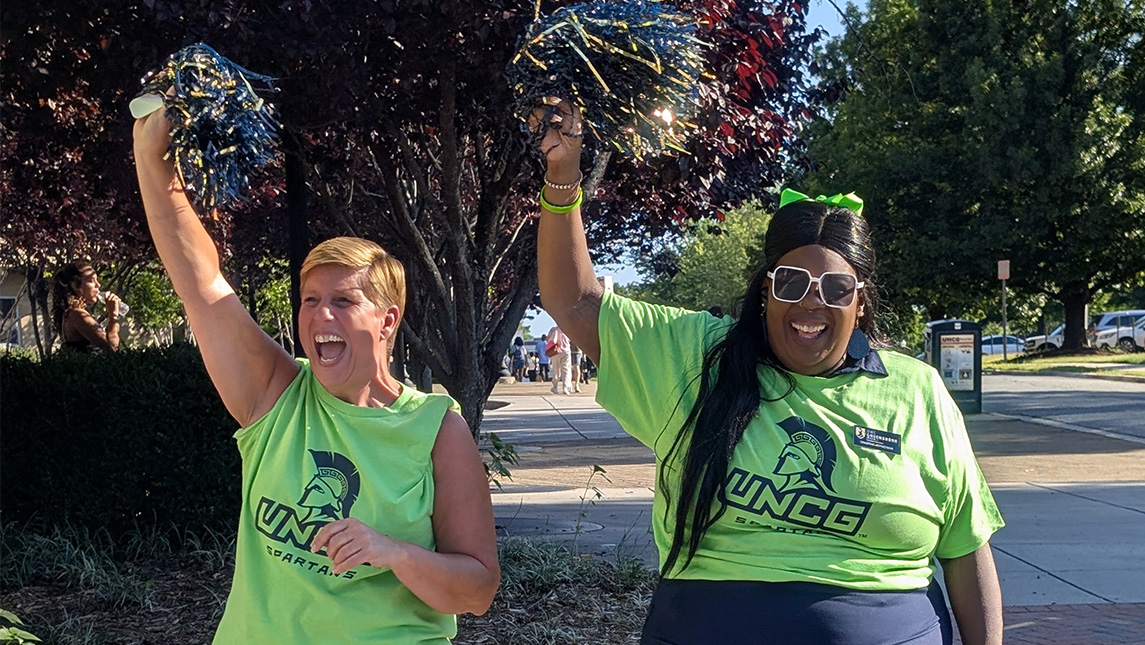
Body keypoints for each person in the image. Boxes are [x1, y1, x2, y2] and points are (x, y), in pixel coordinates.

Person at [534, 101, 1003, 645]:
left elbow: (967, 552)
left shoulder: (917, 390)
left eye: (836, 289)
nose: (811, 303)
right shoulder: (698, 358)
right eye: (791, 283)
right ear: (765, 291)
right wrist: (563, 177)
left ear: (860, 304)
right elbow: (575, 302)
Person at [134, 102, 498, 643]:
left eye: (343, 301)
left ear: (387, 320)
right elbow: (202, 285)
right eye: (310, 300)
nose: (320, 315)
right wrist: (151, 160)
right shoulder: (276, 394)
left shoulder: (437, 429)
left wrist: (395, 553)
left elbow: (477, 590)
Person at [51, 260, 121, 353]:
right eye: (91, 281)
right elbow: (111, 349)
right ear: (76, 286)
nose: (98, 285)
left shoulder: (73, 313)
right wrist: (113, 315)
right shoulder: (78, 315)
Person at [546, 325, 572, 395]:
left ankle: (555, 387)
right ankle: (565, 387)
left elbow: (548, 340)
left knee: (556, 370)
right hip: (566, 351)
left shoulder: (553, 329)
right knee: (566, 369)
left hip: (555, 352)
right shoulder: (567, 330)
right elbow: (570, 340)